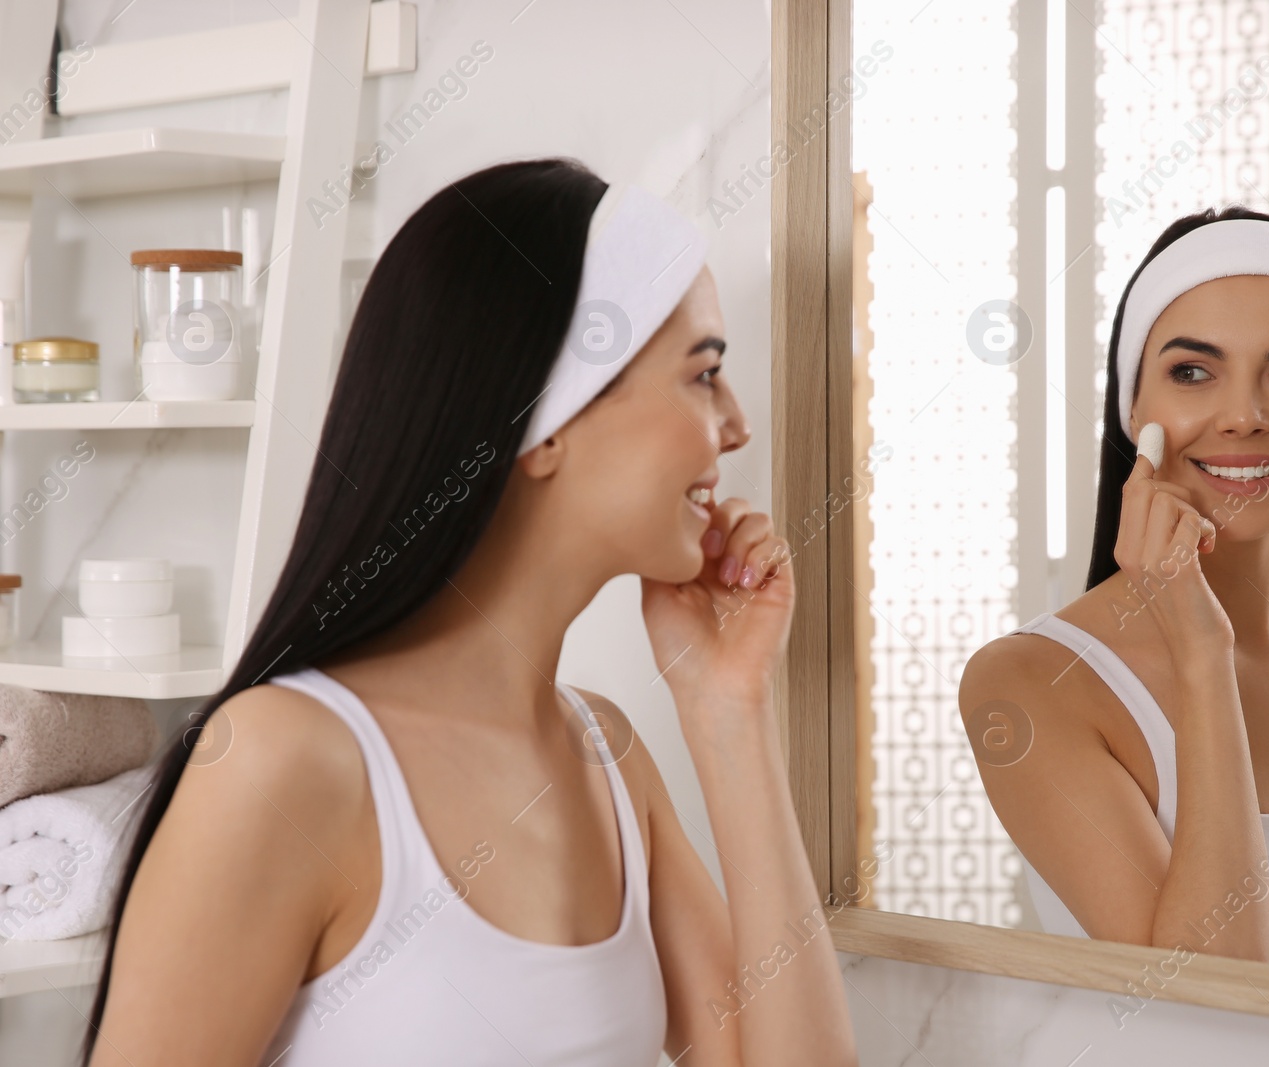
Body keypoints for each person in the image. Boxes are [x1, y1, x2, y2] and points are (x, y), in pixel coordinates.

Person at [83, 159, 859, 1065]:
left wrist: (728, 709)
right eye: (703, 374)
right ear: (547, 420)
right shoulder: (283, 760)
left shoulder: (606, 759)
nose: (735, 425)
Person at [960, 206, 1269, 982]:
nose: (1244, 416)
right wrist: (1201, 649)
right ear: (1133, 409)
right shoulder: (1028, 687)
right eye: (1192, 371)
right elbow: (1210, 1006)